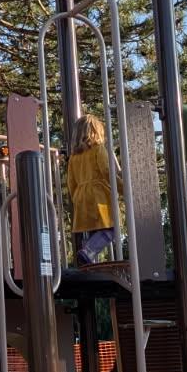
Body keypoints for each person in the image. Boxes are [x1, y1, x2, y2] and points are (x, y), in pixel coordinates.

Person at [65, 113, 121, 265]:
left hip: (81, 196)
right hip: (98, 195)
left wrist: (76, 198)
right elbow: (106, 171)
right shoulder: (98, 149)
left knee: (93, 230)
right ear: (97, 132)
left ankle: (88, 258)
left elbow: (71, 182)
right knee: (111, 228)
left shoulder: (73, 158)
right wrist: (123, 188)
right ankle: (88, 251)